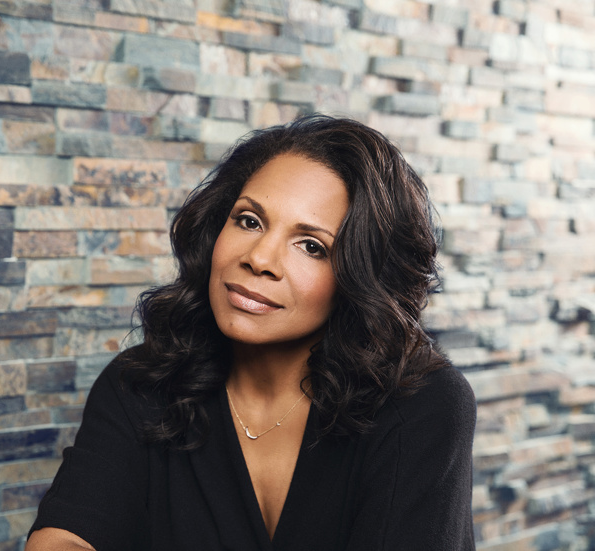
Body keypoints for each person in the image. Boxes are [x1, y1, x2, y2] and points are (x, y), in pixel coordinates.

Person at [26, 114, 477, 551]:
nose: (259, 258)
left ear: (361, 277)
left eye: (311, 246)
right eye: (249, 220)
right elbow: (65, 534)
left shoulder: (422, 406)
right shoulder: (142, 383)